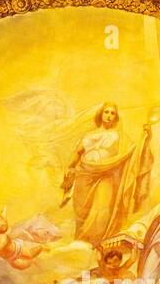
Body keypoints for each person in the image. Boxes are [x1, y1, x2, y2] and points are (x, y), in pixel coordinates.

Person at [62, 103, 154, 246]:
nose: (109, 115)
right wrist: (70, 167)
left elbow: (134, 152)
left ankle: (98, 244)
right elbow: (78, 153)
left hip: (106, 175)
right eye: (106, 112)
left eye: (112, 113)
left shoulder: (119, 136)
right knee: (82, 212)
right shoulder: (88, 135)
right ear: (101, 114)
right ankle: (80, 244)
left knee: (102, 209)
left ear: (115, 117)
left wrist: (146, 138)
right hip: (84, 175)